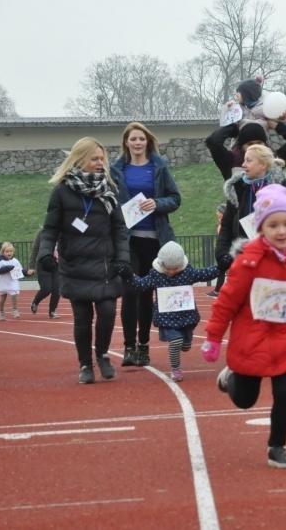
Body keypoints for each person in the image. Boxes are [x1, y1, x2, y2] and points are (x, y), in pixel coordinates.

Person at [201, 184, 286, 469]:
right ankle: (231, 378)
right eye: (273, 225)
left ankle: (277, 447)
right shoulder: (248, 262)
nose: (282, 231)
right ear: (261, 229)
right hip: (251, 341)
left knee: (285, 394)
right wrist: (213, 338)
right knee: (246, 400)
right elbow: (226, 302)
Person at [38, 137, 130, 384]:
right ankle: (85, 365)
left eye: (102, 159)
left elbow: (120, 229)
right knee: (82, 318)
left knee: (108, 311)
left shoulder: (109, 189)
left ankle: (102, 355)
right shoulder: (61, 191)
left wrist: (123, 259)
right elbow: (50, 228)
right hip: (74, 266)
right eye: (95, 159)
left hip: (104, 266)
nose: (100, 163)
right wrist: (45, 253)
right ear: (80, 160)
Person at [111, 122, 182, 369]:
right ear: (126, 142)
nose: (138, 143)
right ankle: (129, 347)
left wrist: (157, 203)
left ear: (147, 141)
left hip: (155, 238)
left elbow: (175, 199)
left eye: (142, 139)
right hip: (128, 240)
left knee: (147, 294)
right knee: (130, 292)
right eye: (133, 139)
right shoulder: (116, 170)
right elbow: (109, 201)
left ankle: (144, 346)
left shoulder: (159, 167)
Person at [118, 241, 219, 383]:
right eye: (168, 269)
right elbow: (141, 286)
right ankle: (175, 369)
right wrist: (129, 276)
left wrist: (221, 267)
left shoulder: (188, 272)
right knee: (175, 341)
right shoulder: (156, 275)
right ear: (161, 264)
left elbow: (204, 274)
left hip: (187, 317)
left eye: (175, 269)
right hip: (167, 319)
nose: (171, 272)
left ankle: (185, 342)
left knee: (185, 344)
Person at [215, 144, 286, 279]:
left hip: (277, 257)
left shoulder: (283, 187)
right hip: (245, 258)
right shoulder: (237, 189)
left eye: (249, 160)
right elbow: (226, 225)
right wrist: (222, 254)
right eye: (244, 160)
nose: (243, 165)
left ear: (263, 165)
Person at [205, 97, 286, 181]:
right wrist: (233, 128)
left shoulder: (274, 160)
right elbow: (213, 141)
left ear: (265, 144)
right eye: (250, 144)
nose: (255, 147)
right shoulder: (230, 161)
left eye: (259, 142)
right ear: (241, 145)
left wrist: (275, 125)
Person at [26, 227, 60, 318]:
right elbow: (35, 249)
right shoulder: (42, 232)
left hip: (57, 264)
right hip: (43, 263)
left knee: (57, 289)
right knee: (46, 288)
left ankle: (52, 311)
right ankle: (35, 301)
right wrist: (31, 266)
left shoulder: (63, 232)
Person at [0, 241, 23, 320]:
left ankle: (14, 309)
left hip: (12, 281)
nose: (9, 253)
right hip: (3, 282)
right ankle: (1, 311)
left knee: (14, 294)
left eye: (10, 251)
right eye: (7, 251)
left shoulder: (15, 261)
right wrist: (7, 268)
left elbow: (20, 270)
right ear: (3, 252)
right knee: (3, 297)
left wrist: (27, 272)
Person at [205, 204, 226, 298]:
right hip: (224, 250)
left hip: (226, 250)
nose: (216, 213)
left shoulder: (225, 223)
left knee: (222, 270)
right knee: (222, 270)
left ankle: (218, 291)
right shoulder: (223, 222)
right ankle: (218, 291)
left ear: (222, 213)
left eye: (218, 211)